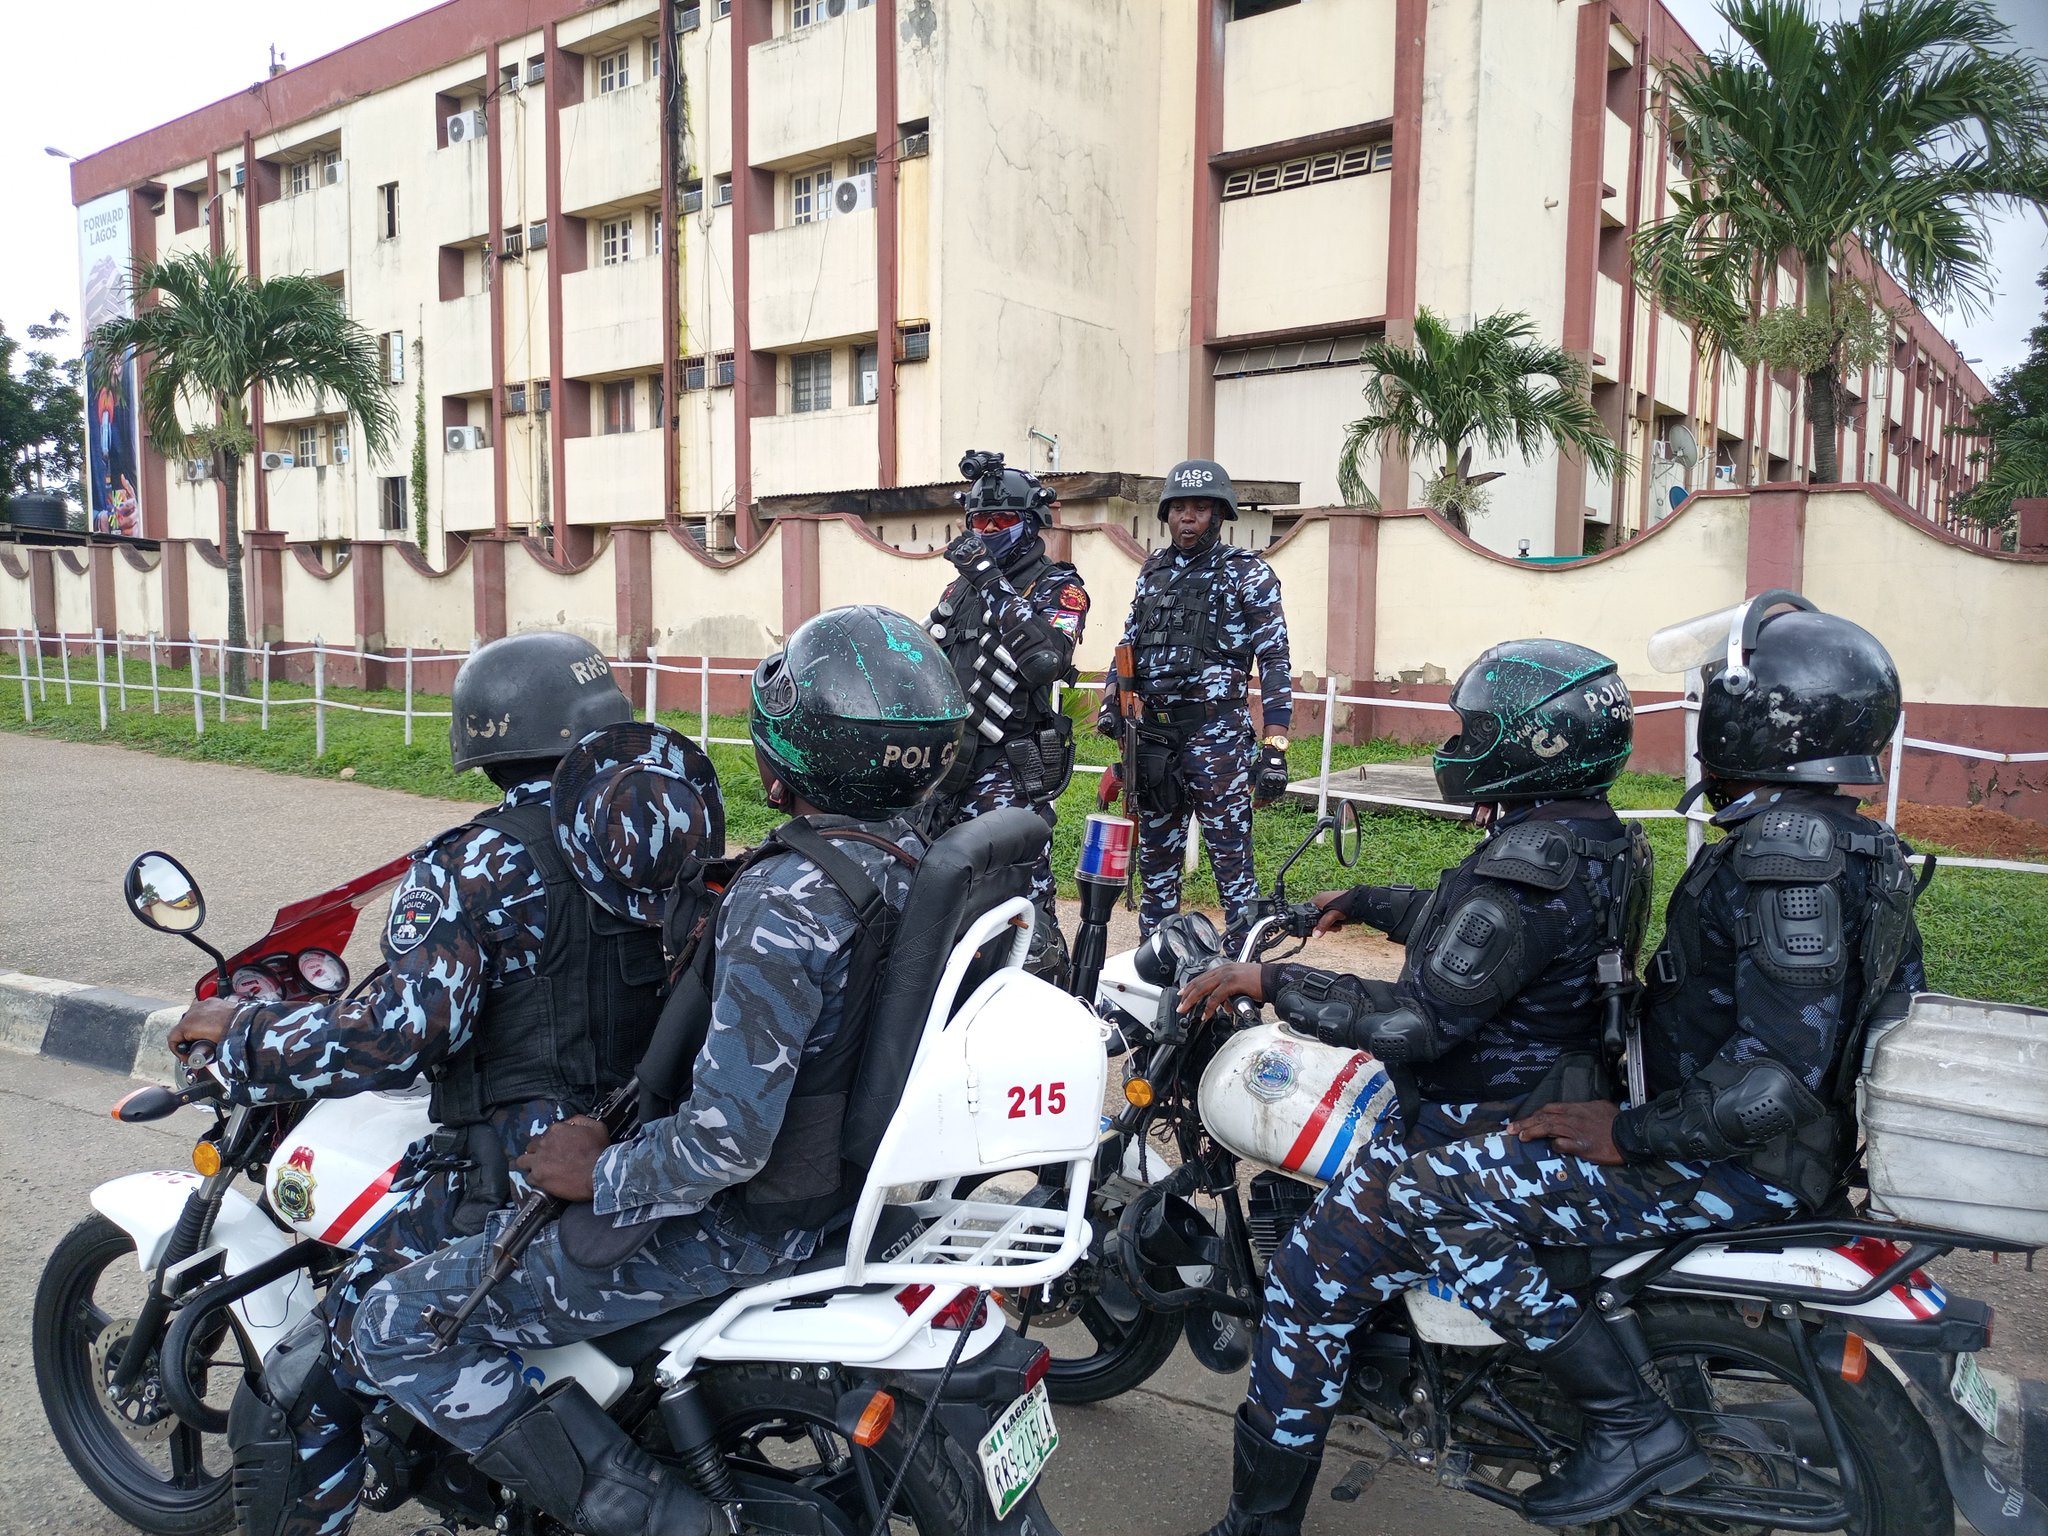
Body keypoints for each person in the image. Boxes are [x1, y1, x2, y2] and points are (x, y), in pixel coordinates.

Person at [344, 605, 970, 1536]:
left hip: (747, 1227)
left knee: (394, 1321)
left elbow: (725, 1141)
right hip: (848, 1189)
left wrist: (597, 1171)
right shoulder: (917, 861)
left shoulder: (786, 899)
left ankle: (660, 1519)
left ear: (789, 752)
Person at [168, 630, 723, 1536]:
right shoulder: (656, 833)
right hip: (641, 1140)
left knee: (313, 1380)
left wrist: (247, 1038)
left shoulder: (473, 864)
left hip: (519, 1171)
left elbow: (393, 1036)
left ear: (487, 740)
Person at [1177, 638, 1652, 1536]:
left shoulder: (1525, 865)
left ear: (1534, 742)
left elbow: (1416, 1023)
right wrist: (1366, 900)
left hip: (1479, 1122)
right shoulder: (1591, 838)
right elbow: (1478, 936)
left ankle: (1258, 1524)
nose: (1458, 743)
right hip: (1542, 1090)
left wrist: (1271, 984)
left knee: (1310, 1281)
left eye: (1472, 728)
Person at [1098, 458, 1292, 944]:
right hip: (1156, 742)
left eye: (1200, 508)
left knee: (1232, 865)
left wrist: (1275, 745)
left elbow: (1273, 659)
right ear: (1166, 515)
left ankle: (1237, 977)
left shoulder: (1248, 574)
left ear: (1220, 514)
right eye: (1179, 508)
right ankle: (1156, 968)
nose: (1188, 518)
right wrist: (1111, 705)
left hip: (1217, 737)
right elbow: (1129, 646)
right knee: (1156, 866)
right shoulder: (1152, 573)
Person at [924, 448, 1088, 978]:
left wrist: (991, 579)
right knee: (940, 876)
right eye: (979, 520)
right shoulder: (961, 587)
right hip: (952, 760)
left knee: (1020, 883)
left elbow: (1046, 661)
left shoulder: (1059, 587)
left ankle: (1048, 982)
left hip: (1009, 765)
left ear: (1030, 523)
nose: (988, 529)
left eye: (1002, 520)